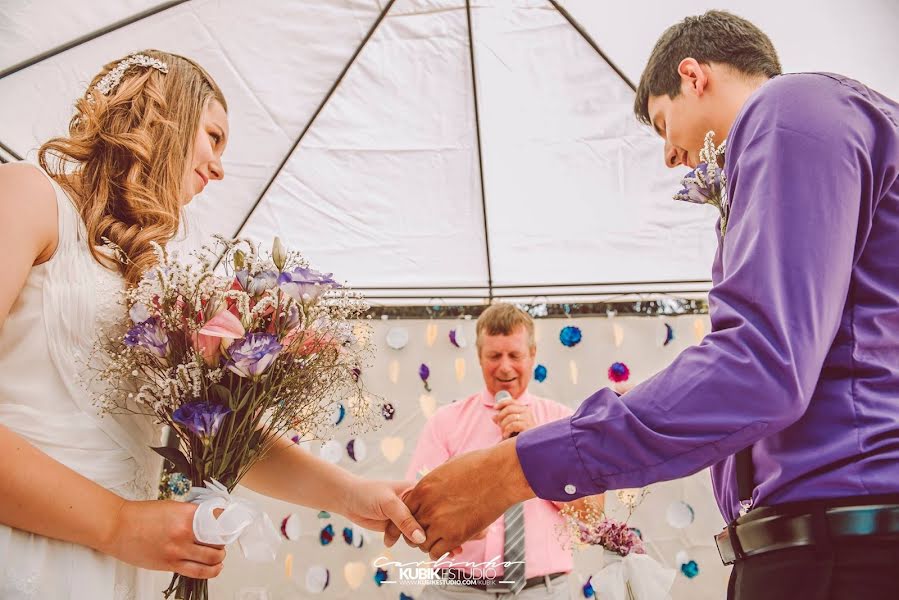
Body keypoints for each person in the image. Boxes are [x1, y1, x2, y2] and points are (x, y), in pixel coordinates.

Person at [386, 10, 899, 600]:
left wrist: (512, 468)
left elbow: (762, 368)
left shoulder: (789, 109)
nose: (669, 158)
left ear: (693, 76)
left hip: (846, 547)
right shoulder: (834, 135)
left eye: (662, 124)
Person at [0, 50, 424, 599]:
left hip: (106, 573)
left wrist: (351, 494)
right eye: (214, 137)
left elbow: (213, 431)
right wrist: (119, 522)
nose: (220, 167)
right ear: (163, 115)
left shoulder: (147, 277)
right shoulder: (26, 195)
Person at [406, 304, 603, 599]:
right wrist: (469, 518)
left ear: (533, 354)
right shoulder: (445, 423)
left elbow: (591, 514)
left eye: (515, 355)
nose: (505, 367)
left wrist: (540, 445)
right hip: (457, 590)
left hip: (544, 592)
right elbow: (418, 508)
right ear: (479, 357)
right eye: (494, 356)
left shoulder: (567, 423)